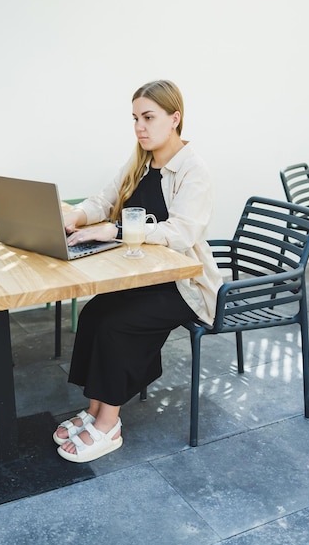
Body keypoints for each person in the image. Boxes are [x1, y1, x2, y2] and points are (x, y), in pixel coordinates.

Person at [53, 79, 223, 463]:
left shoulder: (194, 170)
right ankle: (96, 409)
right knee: (96, 313)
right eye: (135, 118)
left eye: (148, 117)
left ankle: (109, 424)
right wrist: (75, 217)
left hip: (184, 285)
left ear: (174, 118)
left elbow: (181, 232)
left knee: (119, 325)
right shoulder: (141, 160)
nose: (139, 127)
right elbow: (105, 199)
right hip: (146, 275)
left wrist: (113, 229)